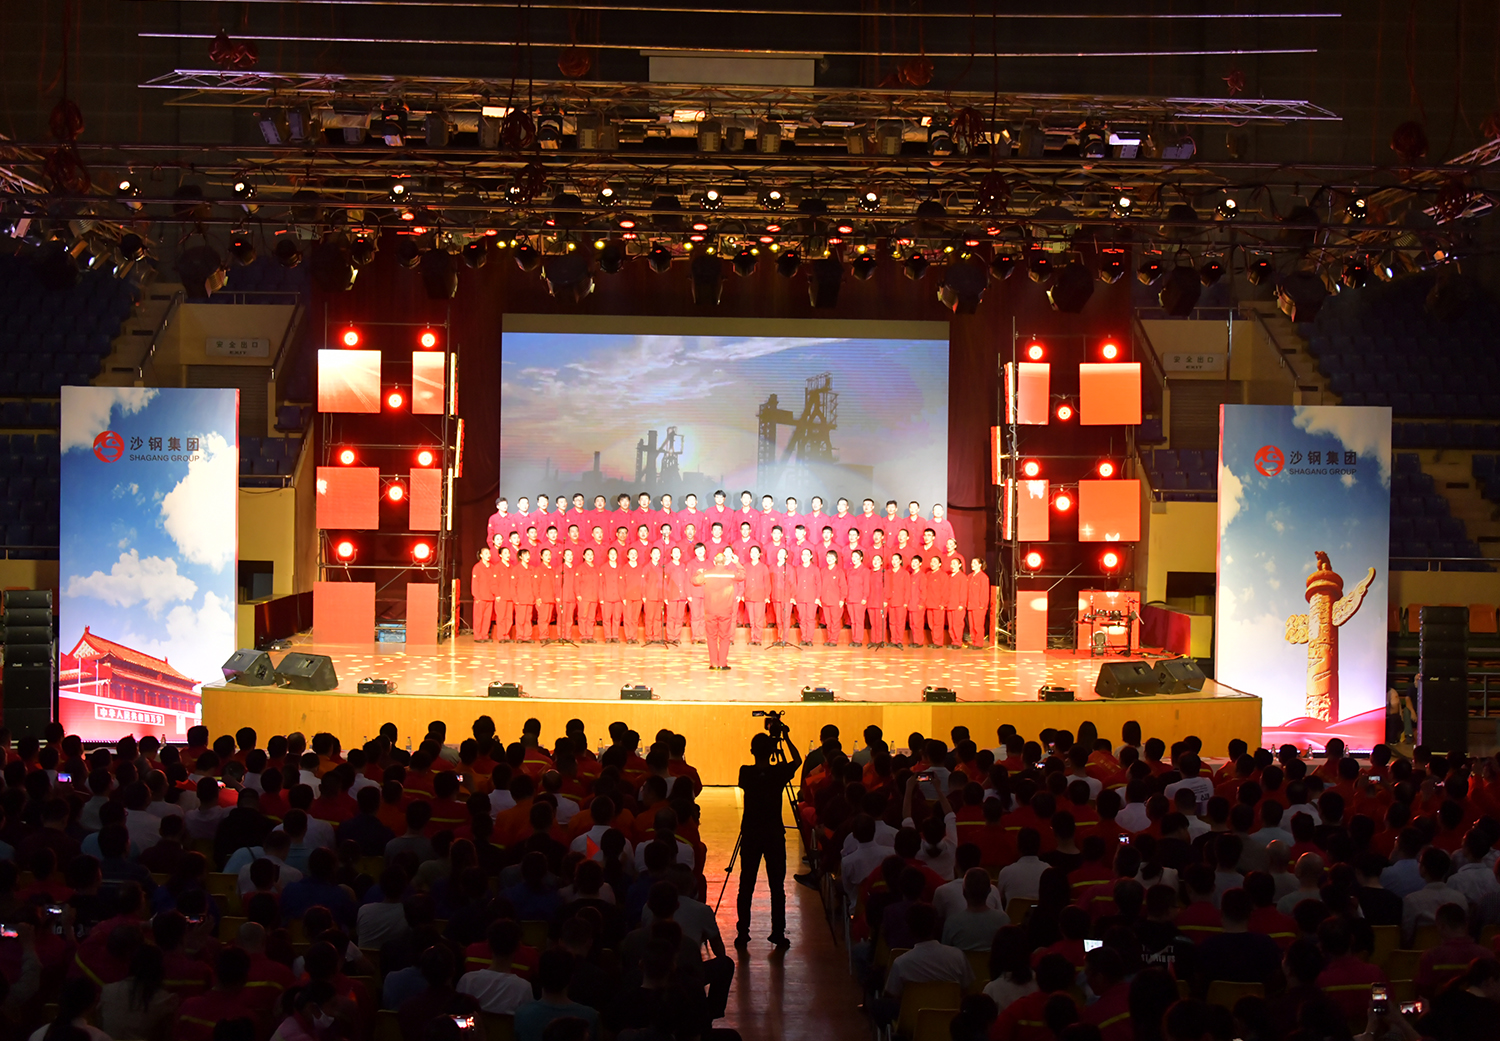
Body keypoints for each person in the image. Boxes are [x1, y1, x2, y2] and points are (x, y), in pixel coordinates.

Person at [735, 722, 802, 948]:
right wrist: (785, 739)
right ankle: (778, 932)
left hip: (751, 833)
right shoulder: (778, 772)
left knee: (746, 884)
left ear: (752, 751)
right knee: (777, 887)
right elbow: (797, 761)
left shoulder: (745, 772)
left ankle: (742, 932)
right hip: (774, 834)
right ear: (772, 751)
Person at [691, 550, 745, 670]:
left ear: (714, 562)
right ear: (725, 562)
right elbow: (742, 576)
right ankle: (722, 663)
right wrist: (737, 563)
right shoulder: (730, 574)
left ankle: (714, 663)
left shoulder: (707, 574)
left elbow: (694, 581)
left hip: (711, 611)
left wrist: (697, 572)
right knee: (725, 637)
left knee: (711, 637)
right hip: (725, 610)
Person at [472, 547, 496, 641]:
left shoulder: (492, 567)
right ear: (481, 555)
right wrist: (476, 596)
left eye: (489, 553)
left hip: (490, 597)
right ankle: (477, 636)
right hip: (480, 597)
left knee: (487, 618)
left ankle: (484, 635)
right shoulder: (477, 567)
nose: (488, 555)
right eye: (486, 553)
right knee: (478, 617)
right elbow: (475, 583)